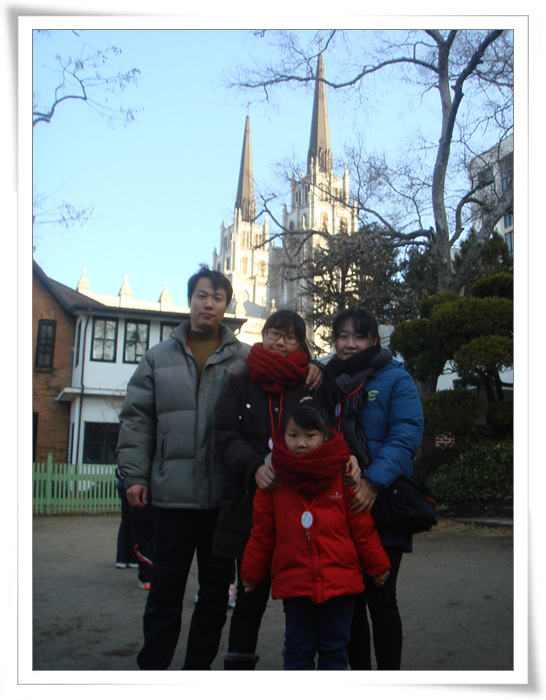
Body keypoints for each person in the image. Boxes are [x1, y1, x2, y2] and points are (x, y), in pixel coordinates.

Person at [116, 265, 248, 670]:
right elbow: (137, 419)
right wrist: (135, 475)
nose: (209, 304)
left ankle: (196, 674)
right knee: (164, 594)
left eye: (218, 298)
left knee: (214, 596)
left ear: (226, 306)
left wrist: (312, 368)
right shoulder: (158, 357)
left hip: (223, 501)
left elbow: (283, 379)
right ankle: (153, 671)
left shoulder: (245, 359)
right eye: (201, 295)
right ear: (190, 300)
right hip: (172, 497)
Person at [212, 309, 325, 670]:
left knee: (300, 597)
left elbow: (324, 436)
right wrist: (255, 466)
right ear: (263, 336)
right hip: (249, 504)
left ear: (301, 344)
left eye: (290, 337)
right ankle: (238, 671)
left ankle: (299, 670)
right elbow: (224, 435)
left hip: (299, 507)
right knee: (250, 592)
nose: (281, 342)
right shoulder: (240, 381)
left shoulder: (309, 385)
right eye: (275, 333)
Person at [240, 400, 391, 670]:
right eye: (293, 435)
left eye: (310, 436)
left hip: (339, 580)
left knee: (335, 648)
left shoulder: (342, 474)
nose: (301, 443)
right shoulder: (274, 480)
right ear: (282, 437)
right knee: (298, 648)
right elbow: (262, 533)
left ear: (325, 436)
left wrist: (377, 566)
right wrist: (251, 574)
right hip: (295, 581)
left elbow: (362, 526)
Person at [321, 307, 424, 671]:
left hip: (384, 501)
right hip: (341, 506)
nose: (349, 344)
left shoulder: (396, 378)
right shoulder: (328, 381)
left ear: (374, 340)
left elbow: (406, 434)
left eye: (359, 336)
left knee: (381, 597)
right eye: (342, 336)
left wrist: (373, 480)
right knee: (349, 601)